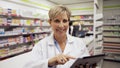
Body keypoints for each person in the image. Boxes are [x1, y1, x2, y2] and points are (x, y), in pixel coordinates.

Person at [24, 5, 90, 68]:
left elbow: (87, 62)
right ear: (50, 22)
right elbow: (29, 66)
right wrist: (49, 62)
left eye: (64, 21)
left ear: (68, 22)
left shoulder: (79, 43)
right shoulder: (41, 46)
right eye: (57, 21)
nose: (61, 26)